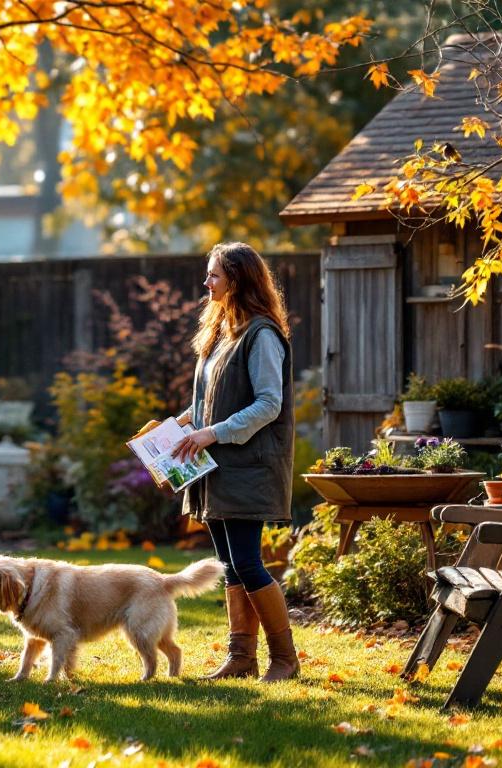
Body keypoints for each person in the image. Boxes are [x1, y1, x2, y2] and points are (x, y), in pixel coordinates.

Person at [147, 241, 300, 683]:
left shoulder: (262, 334)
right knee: (231, 564)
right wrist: (175, 427)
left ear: (238, 280)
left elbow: (269, 404)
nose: (206, 282)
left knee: (249, 562)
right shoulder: (220, 333)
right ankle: (241, 658)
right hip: (212, 469)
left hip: (246, 466)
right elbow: (208, 402)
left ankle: (285, 660)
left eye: (214, 274)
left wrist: (210, 433)